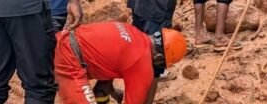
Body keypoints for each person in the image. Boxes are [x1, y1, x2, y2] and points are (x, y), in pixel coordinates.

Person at [54, 22, 187, 104]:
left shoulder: (132, 31)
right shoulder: (142, 62)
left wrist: (111, 91)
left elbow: (107, 60)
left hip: (58, 42)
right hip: (69, 62)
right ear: (158, 57)